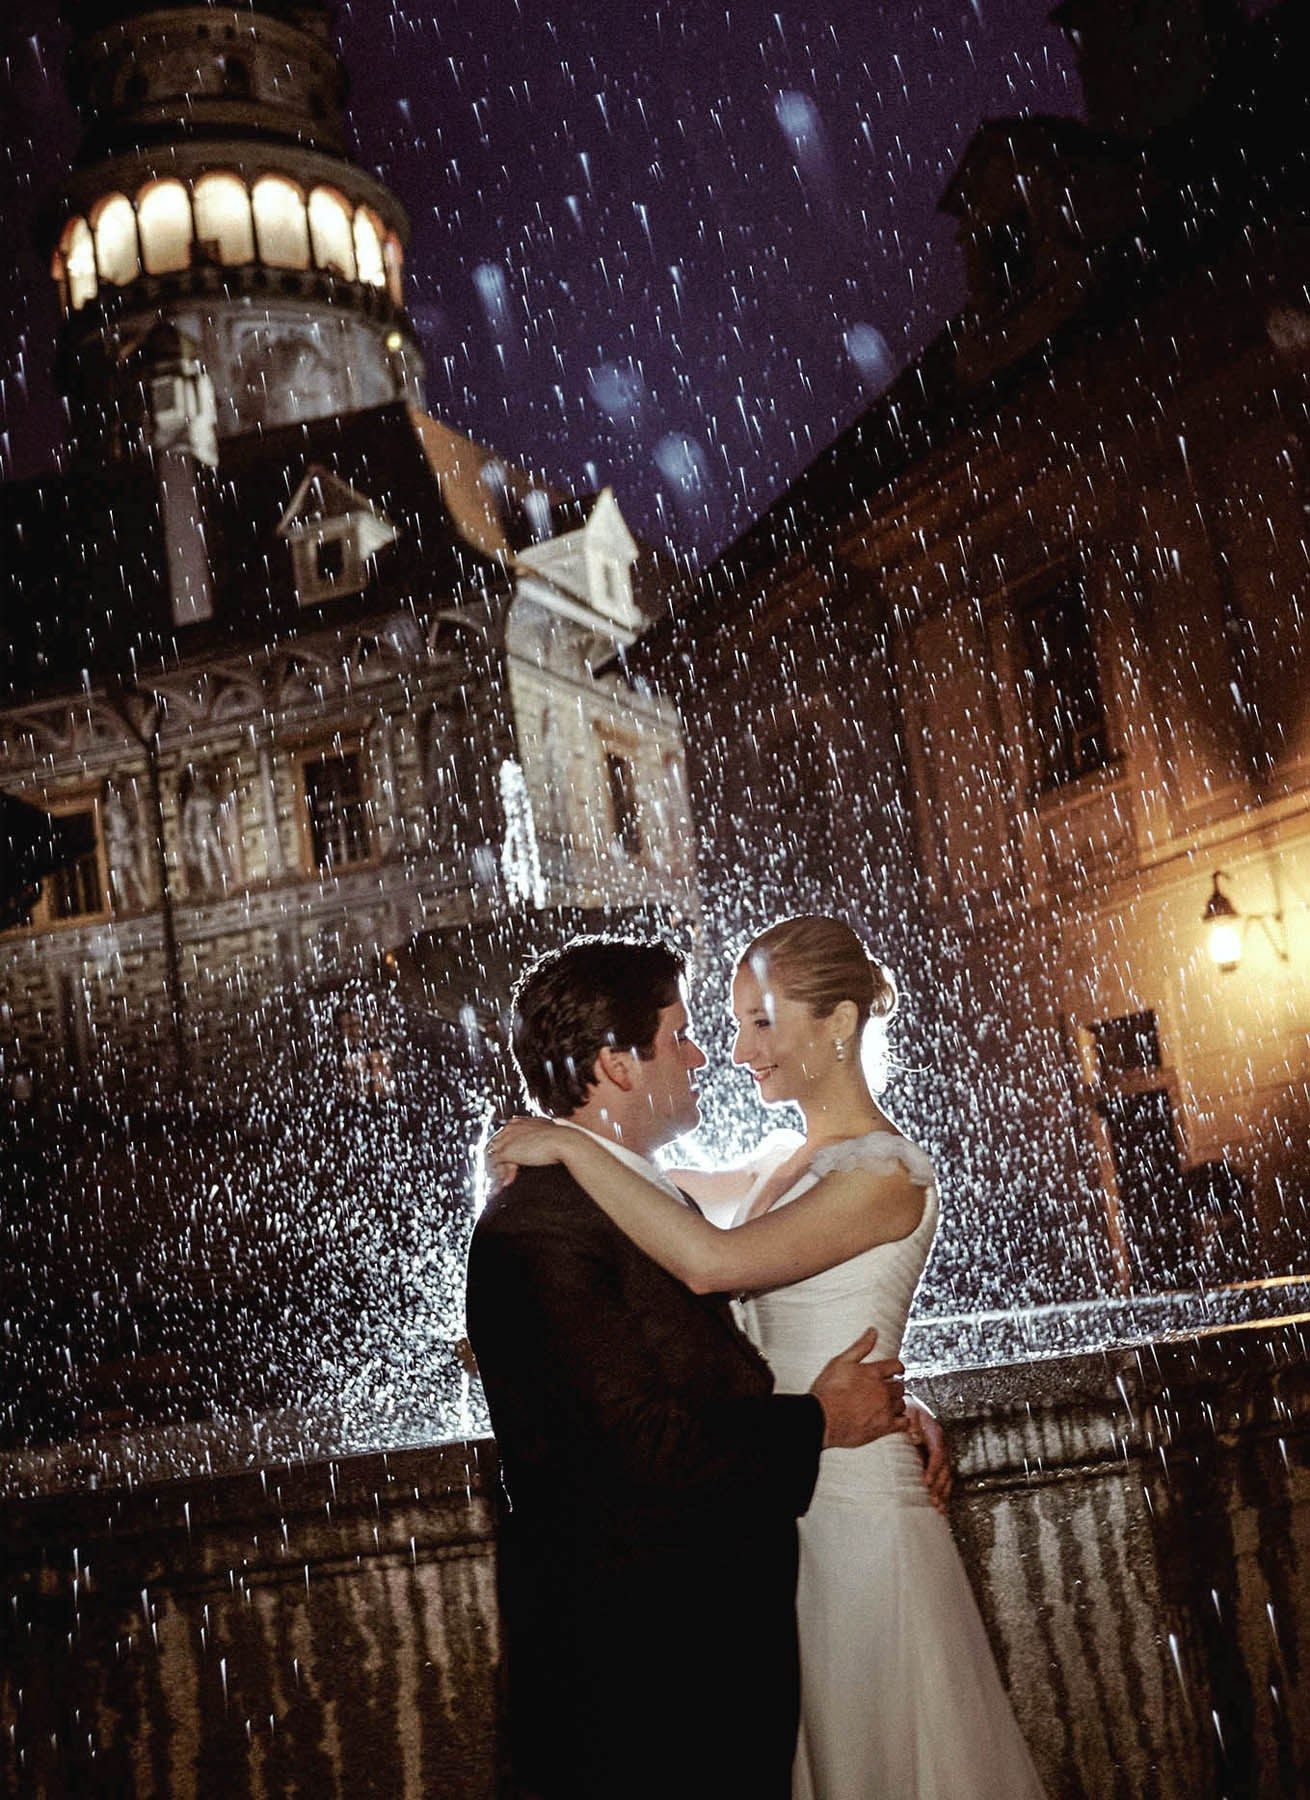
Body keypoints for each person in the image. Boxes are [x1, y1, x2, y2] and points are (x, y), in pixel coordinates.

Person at [488, 915, 1046, 1800]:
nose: (733, 1050)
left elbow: (709, 1263)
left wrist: (558, 1142)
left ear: (838, 1025)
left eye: (759, 1020)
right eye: (720, 1024)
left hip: (850, 1505)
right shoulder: (779, 1165)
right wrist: (568, 1144)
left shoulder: (887, 1174)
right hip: (784, 1500)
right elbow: (652, 1211)